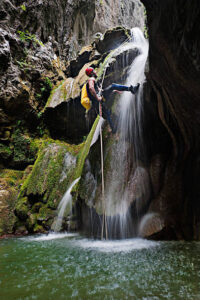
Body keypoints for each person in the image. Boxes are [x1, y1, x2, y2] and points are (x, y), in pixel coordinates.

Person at [85, 67, 140, 132]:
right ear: (91, 73)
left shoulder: (94, 82)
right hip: (99, 99)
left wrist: (115, 90)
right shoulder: (91, 79)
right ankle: (131, 89)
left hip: (97, 102)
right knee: (113, 86)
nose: (95, 72)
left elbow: (100, 90)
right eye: (94, 71)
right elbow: (91, 88)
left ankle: (114, 129)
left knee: (107, 113)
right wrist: (98, 98)